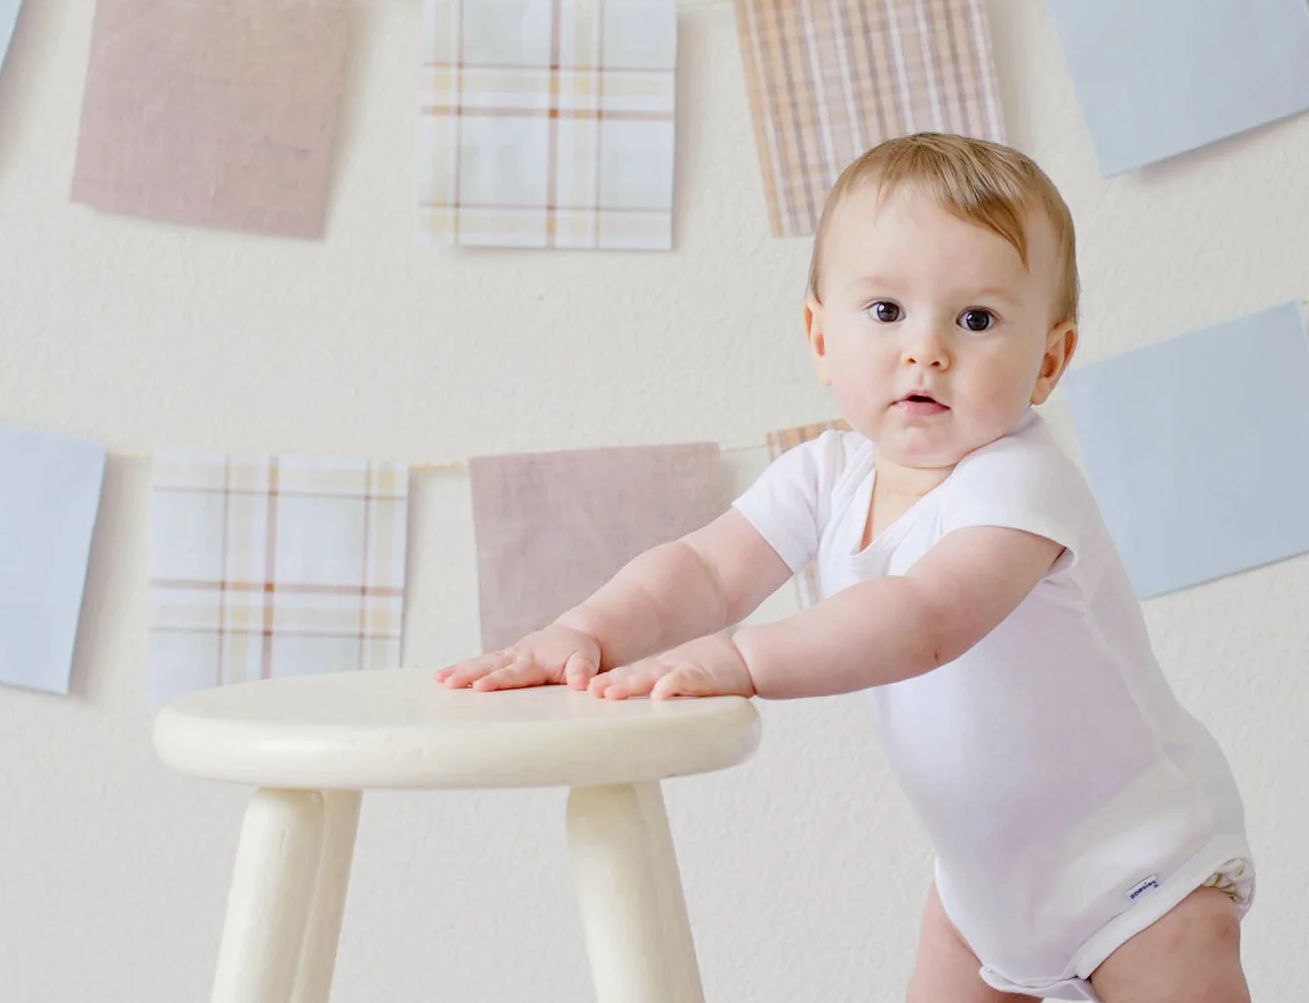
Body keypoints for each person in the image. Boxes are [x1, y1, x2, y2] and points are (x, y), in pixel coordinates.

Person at [437, 133, 1254, 1001]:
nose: (926, 350)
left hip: (1138, 869)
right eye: (886, 311)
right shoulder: (825, 476)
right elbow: (703, 572)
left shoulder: (1021, 485)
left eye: (976, 320)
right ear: (819, 336)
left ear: (1048, 361)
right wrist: (586, 632)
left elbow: (927, 618)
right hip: (985, 889)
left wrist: (743, 660)